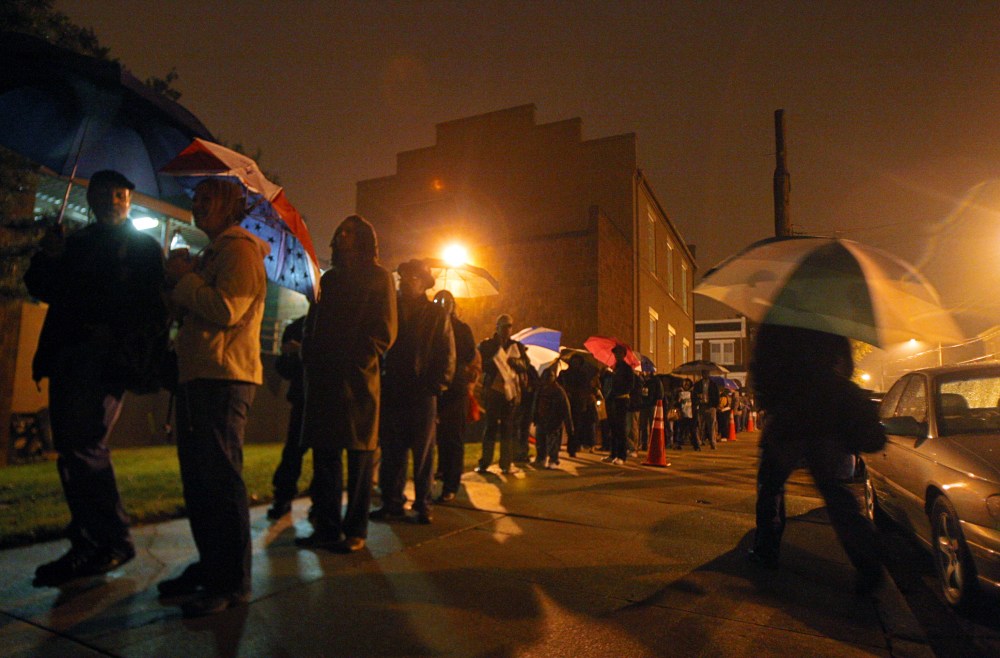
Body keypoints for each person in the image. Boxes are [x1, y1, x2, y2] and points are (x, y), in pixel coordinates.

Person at [26, 170, 165, 587]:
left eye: (120, 194)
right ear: (90, 198)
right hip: (67, 356)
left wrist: (121, 343)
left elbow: (152, 311)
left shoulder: (142, 249)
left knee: (85, 444)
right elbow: (41, 285)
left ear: (129, 199)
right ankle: (87, 539)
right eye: (103, 194)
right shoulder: (75, 243)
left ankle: (111, 540)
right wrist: (48, 255)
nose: (111, 201)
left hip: (104, 363)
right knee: (70, 449)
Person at [159, 178, 268, 617]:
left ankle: (231, 581)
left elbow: (228, 309)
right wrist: (180, 281)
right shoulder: (215, 252)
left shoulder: (239, 250)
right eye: (196, 198)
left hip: (224, 379)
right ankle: (211, 566)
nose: (197, 205)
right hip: (200, 376)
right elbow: (195, 308)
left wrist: (187, 281)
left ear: (228, 206)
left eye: (208, 199)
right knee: (199, 481)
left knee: (220, 481)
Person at [748, 323, 887, 595]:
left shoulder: (775, 325)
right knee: (836, 493)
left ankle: (766, 550)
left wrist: (771, 402)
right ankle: (868, 564)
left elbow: (760, 371)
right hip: (827, 418)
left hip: (789, 417)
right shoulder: (830, 323)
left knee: (772, 485)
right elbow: (846, 368)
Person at [294, 215, 397, 553]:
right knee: (325, 458)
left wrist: (356, 359)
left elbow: (384, 331)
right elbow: (313, 322)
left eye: (350, 232)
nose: (341, 236)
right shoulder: (330, 279)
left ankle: (355, 530)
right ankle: (326, 528)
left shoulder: (379, 278)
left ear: (365, 239)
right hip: (323, 379)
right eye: (339, 231)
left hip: (356, 381)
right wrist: (309, 355)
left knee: (359, 459)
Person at [371, 259, 455, 525]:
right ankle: (392, 503)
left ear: (424, 283)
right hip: (393, 389)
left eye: (414, 278)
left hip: (421, 393)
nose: (407, 281)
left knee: (423, 454)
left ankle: (423, 504)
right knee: (392, 452)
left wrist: (434, 386)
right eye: (404, 276)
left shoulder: (435, 314)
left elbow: (447, 354)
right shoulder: (388, 309)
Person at [433, 290, 481, 503]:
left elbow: (470, 354)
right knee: (441, 436)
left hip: (455, 388)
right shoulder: (431, 326)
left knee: (453, 436)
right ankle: (444, 471)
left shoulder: (461, 329)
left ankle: (451, 482)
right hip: (437, 386)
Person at [475, 314, 530, 475]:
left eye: (510, 326)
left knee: (507, 427)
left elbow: (526, 365)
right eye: (505, 326)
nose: (508, 329)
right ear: (497, 328)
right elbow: (479, 362)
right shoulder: (487, 345)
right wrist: (493, 363)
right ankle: (485, 462)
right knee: (490, 427)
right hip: (493, 390)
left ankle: (505, 463)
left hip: (509, 392)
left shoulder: (517, 346)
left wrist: (515, 363)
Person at [267, 315, 309, 520]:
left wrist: (299, 351)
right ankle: (283, 496)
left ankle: (320, 502)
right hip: (302, 396)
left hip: (322, 397)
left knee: (324, 455)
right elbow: (283, 367)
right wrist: (290, 358)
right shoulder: (295, 327)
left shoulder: (332, 321)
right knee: (293, 450)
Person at [531, 365, 574, 468]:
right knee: (540, 441)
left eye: (550, 376)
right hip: (542, 419)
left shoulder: (559, 391)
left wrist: (569, 426)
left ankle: (553, 460)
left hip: (554, 420)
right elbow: (535, 404)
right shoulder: (540, 390)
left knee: (552, 442)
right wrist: (535, 416)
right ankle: (541, 459)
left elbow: (566, 409)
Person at [558, 354, 599, 457]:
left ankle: (573, 447)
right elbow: (559, 386)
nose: (575, 364)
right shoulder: (564, 374)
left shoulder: (582, 375)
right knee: (562, 424)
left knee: (575, 425)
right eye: (574, 361)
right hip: (566, 402)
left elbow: (586, 389)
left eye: (577, 362)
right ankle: (558, 445)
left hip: (577, 403)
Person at [602, 344, 635, 465]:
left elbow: (630, 385)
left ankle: (622, 456)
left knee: (620, 428)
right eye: (615, 353)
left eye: (619, 353)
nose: (617, 355)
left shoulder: (626, 368)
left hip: (621, 400)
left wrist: (616, 381)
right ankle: (613, 454)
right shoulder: (613, 367)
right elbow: (606, 384)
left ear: (623, 355)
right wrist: (606, 374)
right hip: (611, 400)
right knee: (613, 428)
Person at [695, 369, 721, 449]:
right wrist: (698, 397)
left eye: (707, 373)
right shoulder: (698, 384)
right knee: (699, 425)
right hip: (701, 406)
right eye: (704, 373)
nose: (705, 374)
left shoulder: (713, 384)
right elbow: (694, 394)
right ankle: (699, 442)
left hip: (711, 407)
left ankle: (713, 443)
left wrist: (715, 405)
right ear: (702, 374)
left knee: (712, 426)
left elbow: (717, 396)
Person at [674, 378, 698, 450]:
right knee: (681, 431)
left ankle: (696, 446)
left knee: (693, 431)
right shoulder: (679, 393)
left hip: (691, 415)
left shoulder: (693, 393)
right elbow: (676, 403)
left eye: (688, 384)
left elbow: (696, 402)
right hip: (682, 414)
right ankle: (679, 445)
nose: (686, 386)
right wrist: (678, 401)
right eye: (685, 384)